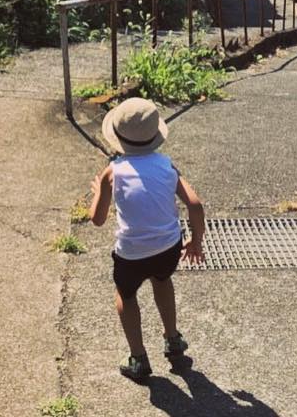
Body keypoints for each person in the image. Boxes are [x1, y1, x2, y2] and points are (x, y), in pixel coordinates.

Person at [89, 97, 206, 382]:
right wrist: (196, 241)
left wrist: (97, 192)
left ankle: (138, 358)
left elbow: (97, 219)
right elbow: (195, 205)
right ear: (156, 136)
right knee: (162, 281)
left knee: (126, 296)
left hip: (131, 254)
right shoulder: (167, 166)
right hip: (168, 247)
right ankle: (173, 339)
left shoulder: (112, 172)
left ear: (117, 138)